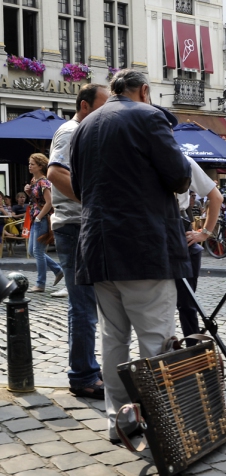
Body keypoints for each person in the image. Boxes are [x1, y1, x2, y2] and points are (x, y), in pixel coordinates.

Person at [70, 69, 192, 441]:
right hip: (143, 245)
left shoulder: (85, 126)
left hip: (100, 249)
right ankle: (161, 426)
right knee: (155, 340)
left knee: (113, 339)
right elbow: (180, 177)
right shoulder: (149, 115)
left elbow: (78, 187)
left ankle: (118, 423)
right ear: (143, 90)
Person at [46, 84, 109, 398]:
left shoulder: (83, 132)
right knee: (83, 305)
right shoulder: (71, 131)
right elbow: (56, 172)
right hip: (75, 226)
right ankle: (83, 376)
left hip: (82, 225)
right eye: (102, 106)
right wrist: (93, 200)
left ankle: (88, 370)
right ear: (85, 106)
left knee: (88, 304)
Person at [151, 105, 222, 344]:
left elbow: (216, 197)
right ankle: (169, 355)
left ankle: (192, 355)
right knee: (161, 303)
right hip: (154, 236)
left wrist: (205, 233)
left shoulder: (184, 161)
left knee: (186, 304)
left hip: (180, 234)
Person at [25, 153, 64, 293]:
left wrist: (39, 217)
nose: (29, 166)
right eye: (29, 163)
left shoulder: (43, 182)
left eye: (32, 164)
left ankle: (40, 284)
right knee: (32, 251)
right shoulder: (34, 181)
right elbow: (37, 201)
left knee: (38, 251)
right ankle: (58, 270)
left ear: (40, 166)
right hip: (36, 218)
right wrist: (28, 192)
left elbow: (49, 202)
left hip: (40, 220)